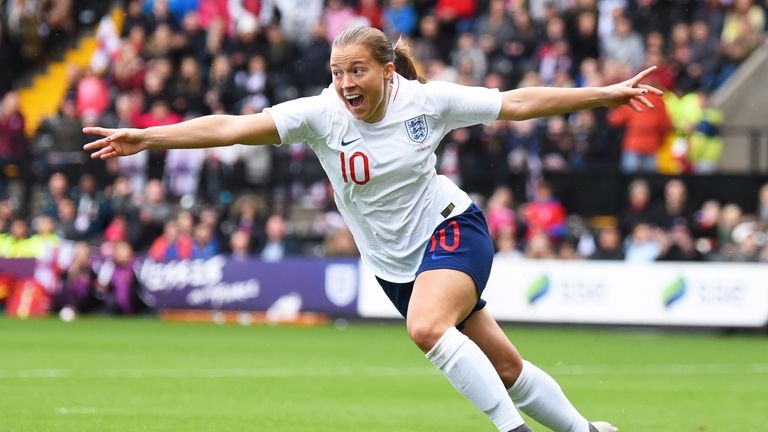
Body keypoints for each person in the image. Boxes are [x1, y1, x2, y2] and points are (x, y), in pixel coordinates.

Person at [84, 26, 662, 432]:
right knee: (505, 367)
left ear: (387, 71)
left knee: (428, 328)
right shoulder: (321, 114)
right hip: (393, 266)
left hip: (452, 229)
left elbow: (516, 102)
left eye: (356, 70)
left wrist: (605, 94)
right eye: (337, 73)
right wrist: (148, 136)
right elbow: (231, 128)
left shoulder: (427, 101)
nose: (345, 83)